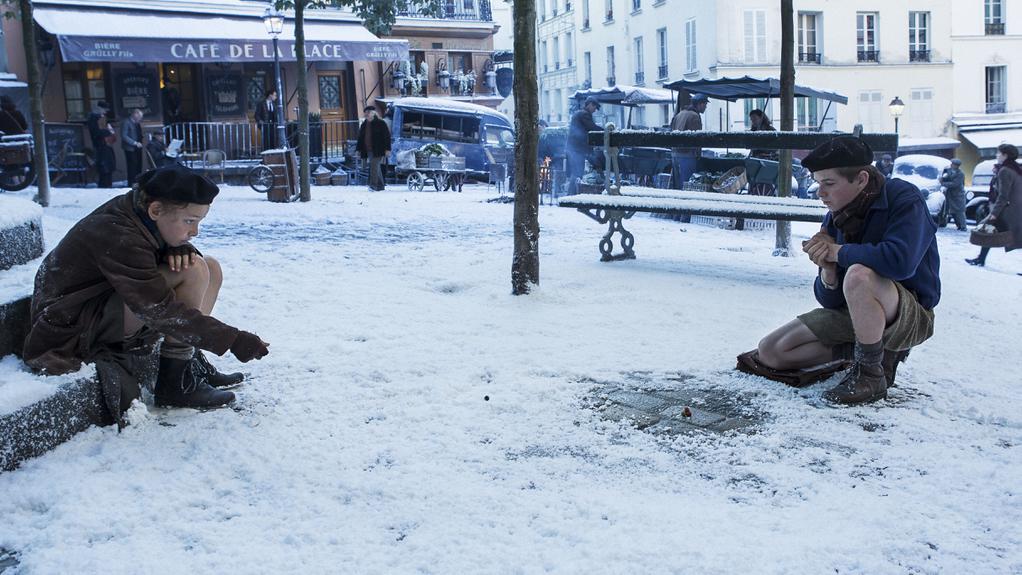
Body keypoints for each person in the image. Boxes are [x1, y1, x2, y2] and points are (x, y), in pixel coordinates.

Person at [22, 165, 270, 424]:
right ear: (155, 210)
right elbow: (157, 309)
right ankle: (176, 384)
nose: (195, 231)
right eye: (189, 221)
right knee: (194, 270)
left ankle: (188, 359)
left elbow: (148, 251)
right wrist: (232, 339)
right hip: (73, 326)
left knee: (210, 267)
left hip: (102, 307)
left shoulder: (139, 214)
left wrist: (173, 248)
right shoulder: (117, 230)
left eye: (198, 221)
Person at [737, 136, 940, 405]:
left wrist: (838, 252)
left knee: (859, 274)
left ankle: (871, 374)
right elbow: (830, 301)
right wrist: (828, 271)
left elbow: (900, 261)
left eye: (829, 184)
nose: (821, 193)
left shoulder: (904, 198)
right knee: (771, 351)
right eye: (818, 183)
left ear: (862, 179)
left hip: (909, 314)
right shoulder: (837, 214)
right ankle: (871, 352)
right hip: (855, 313)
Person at [965, 143, 1022, 269]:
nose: (997, 155)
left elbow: (1003, 195)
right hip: (1016, 209)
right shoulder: (1016, 168)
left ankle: (980, 259)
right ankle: (980, 259)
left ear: (1005, 155)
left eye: (999, 153)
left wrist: (994, 213)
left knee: (988, 229)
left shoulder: (1005, 170)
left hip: (1008, 210)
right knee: (989, 231)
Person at [669, 93, 709, 189]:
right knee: (687, 184)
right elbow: (697, 138)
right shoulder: (694, 116)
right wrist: (698, 154)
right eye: (705, 105)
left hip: (675, 153)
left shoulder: (680, 114)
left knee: (677, 184)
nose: (706, 107)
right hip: (687, 154)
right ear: (699, 104)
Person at [565, 97, 604, 195]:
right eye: (595, 107)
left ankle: (572, 195)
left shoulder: (579, 113)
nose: (595, 110)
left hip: (575, 148)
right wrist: (606, 130)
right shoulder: (584, 114)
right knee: (577, 173)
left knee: (577, 172)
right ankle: (572, 196)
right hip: (577, 149)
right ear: (590, 104)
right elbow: (592, 128)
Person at [355, 105, 391, 191]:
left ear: (373, 113)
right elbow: (360, 138)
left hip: (378, 149)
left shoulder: (381, 123)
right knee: (376, 167)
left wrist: (388, 149)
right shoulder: (364, 124)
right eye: (365, 113)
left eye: (368, 113)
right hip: (368, 149)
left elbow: (387, 137)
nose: (366, 115)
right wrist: (358, 150)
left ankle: (373, 186)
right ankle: (381, 186)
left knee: (374, 166)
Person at [87, 101, 116, 188]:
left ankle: (108, 184)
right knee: (104, 167)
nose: (105, 112)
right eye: (104, 109)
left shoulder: (101, 117)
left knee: (109, 166)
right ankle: (104, 185)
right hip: (100, 145)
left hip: (106, 144)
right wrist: (108, 131)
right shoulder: (94, 118)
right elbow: (96, 132)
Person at [939, 158, 968, 231]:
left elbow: (955, 184)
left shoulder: (960, 174)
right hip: (950, 195)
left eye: (954, 164)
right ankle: (958, 225)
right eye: (952, 164)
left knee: (960, 211)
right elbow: (946, 177)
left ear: (957, 166)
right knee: (953, 212)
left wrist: (943, 183)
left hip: (958, 195)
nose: (952, 165)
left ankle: (963, 226)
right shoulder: (949, 171)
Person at [121, 108, 145, 185]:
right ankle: (131, 182)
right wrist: (134, 143)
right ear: (135, 115)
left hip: (138, 147)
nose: (140, 119)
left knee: (138, 165)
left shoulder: (137, 123)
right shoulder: (126, 122)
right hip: (130, 148)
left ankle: (138, 181)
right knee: (132, 166)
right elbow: (124, 136)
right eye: (140, 117)